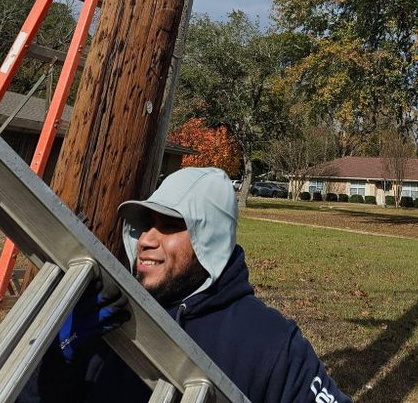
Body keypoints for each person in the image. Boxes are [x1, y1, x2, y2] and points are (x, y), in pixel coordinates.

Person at [24, 167, 352, 402]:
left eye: (169, 225)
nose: (146, 240)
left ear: (210, 238)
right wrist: (55, 353)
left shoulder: (270, 343)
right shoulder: (111, 317)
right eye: (146, 224)